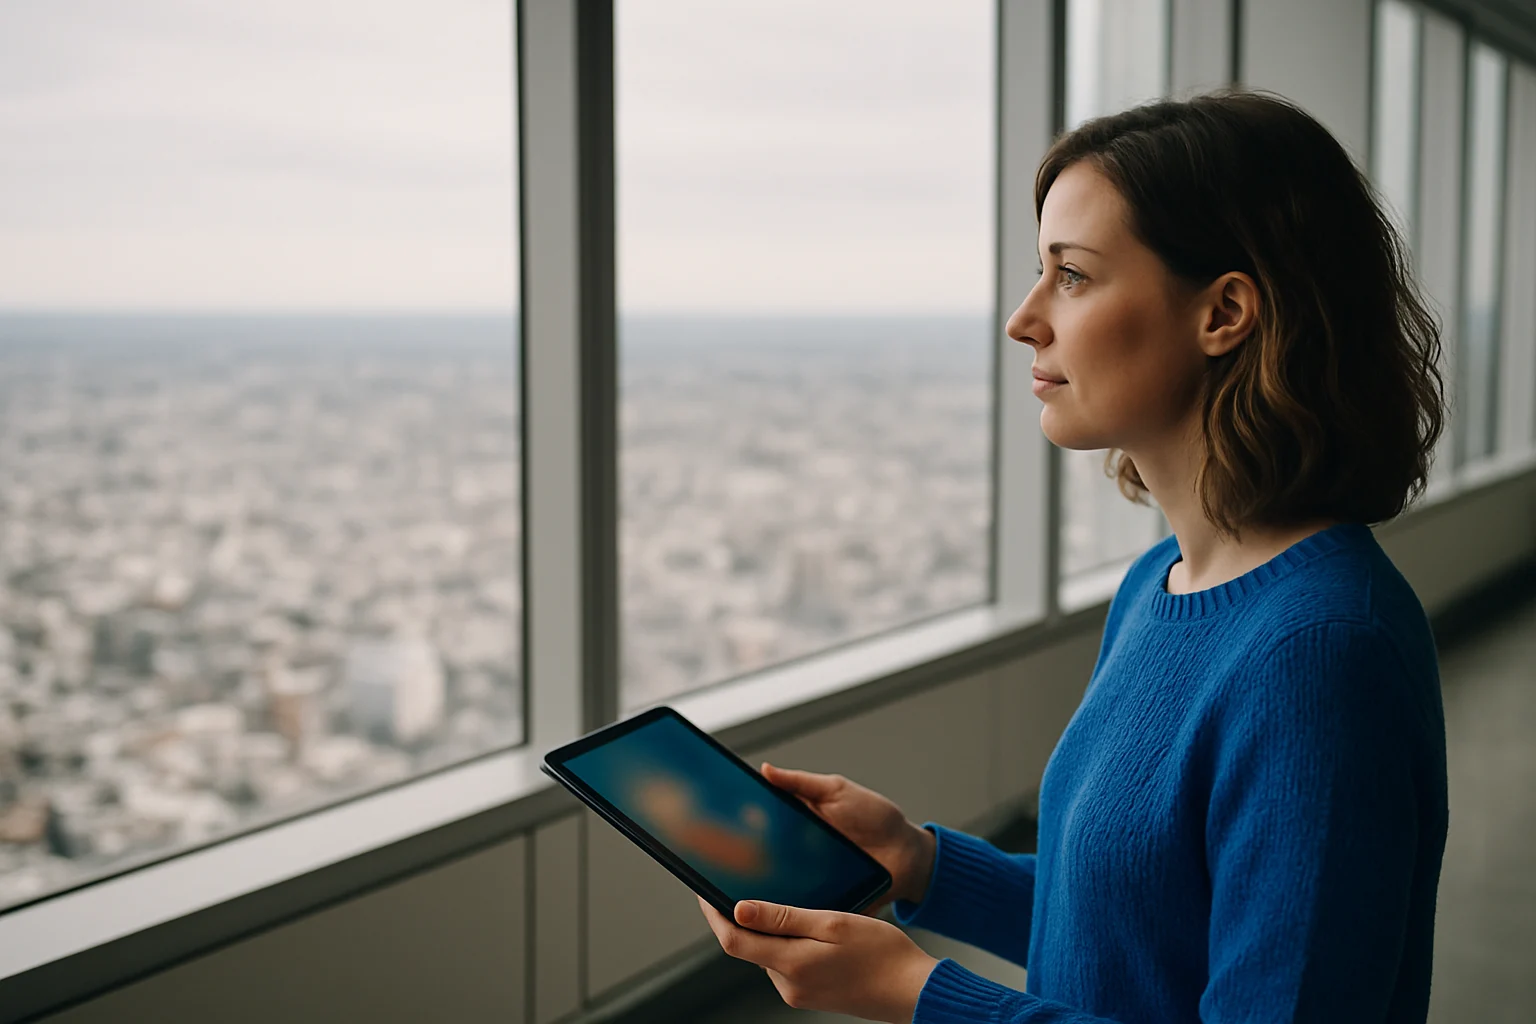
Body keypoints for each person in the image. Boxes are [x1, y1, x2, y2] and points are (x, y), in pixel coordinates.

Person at [697, 90, 1450, 1023]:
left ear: (1225, 312)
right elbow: (1136, 927)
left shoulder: (1321, 654)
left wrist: (920, 996)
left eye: (1075, 276)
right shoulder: (1160, 585)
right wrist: (921, 862)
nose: (1025, 318)